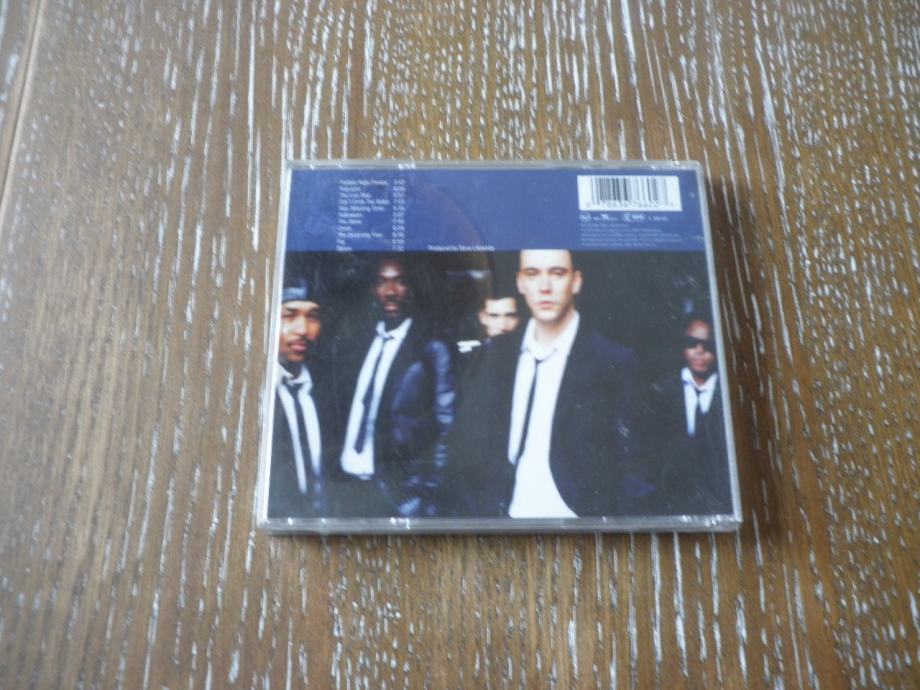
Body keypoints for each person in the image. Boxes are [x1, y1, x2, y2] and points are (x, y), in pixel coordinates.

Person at [449, 249, 639, 517]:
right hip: (503, 520)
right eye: (532, 274)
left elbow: (632, 465)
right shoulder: (496, 354)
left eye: (557, 273)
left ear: (576, 281)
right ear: (520, 282)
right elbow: (470, 448)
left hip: (579, 524)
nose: (544, 287)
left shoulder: (611, 361)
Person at [333, 255, 455, 517]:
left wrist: (428, 494)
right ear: (373, 290)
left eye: (399, 282)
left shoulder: (431, 348)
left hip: (395, 493)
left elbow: (446, 426)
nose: (390, 291)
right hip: (346, 485)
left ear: (410, 289)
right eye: (382, 282)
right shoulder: (358, 342)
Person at [645, 316, 732, 514]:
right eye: (692, 343)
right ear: (682, 347)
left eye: (707, 345)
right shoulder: (662, 391)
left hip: (716, 499)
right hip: (672, 497)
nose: (699, 351)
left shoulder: (726, 392)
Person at [267, 276, 331, 517]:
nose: (302, 330)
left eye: (312, 317)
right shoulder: (258, 394)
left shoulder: (328, 393)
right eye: (289, 315)